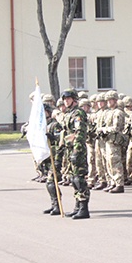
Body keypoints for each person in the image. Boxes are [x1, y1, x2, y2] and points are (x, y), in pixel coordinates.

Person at [60, 89, 91, 219]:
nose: (66, 101)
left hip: (77, 150)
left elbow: (79, 134)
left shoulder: (78, 113)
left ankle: (84, 208)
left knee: (79, 179)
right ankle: (77, 206)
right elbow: (67, 133)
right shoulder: (69, 114)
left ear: (74, 99)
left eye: (68, 99)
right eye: (65, 99)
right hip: (69, 149)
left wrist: (77, 151)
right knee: (73, 178)